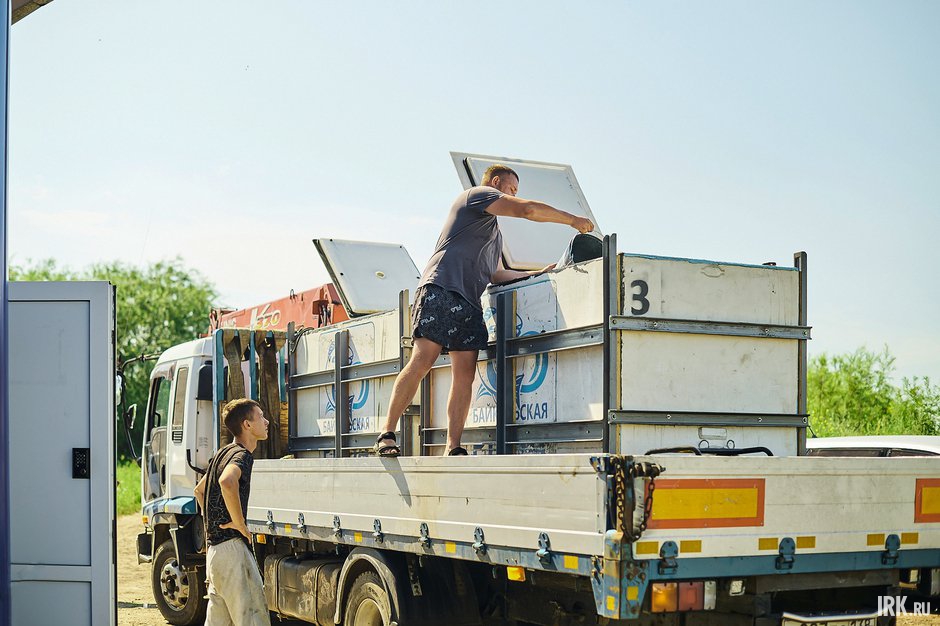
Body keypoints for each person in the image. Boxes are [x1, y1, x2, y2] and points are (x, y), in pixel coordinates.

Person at [376, 164, 594, 457]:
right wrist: (572, 220)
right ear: (496, 183)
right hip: (441, 287)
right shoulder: (475, 197)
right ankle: (386, 435)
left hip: (469, 301)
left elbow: (498, 275)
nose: (514, 195)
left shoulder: (495, 236)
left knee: (465, 374)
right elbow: (527, 210)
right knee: (423, 359)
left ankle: (452, 447)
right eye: (512, 190)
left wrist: (538, 273)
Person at [194, 398, 271, 626]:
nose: (266, 421)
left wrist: (212, 528)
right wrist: (238, 523)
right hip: (232, 551)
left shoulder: (222, 453)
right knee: (252, 619)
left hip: (216, 553)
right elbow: (227, 482)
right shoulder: (242, 456)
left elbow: (199, 491)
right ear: (247, 425)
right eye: (260, 416)